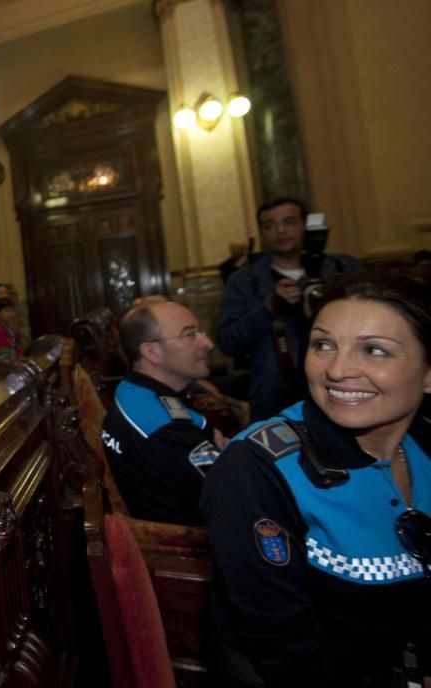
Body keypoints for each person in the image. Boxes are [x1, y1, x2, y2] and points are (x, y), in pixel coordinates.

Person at [201, 270, 431, 686]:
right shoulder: (256, 468)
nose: (338, 370)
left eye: (375, 350)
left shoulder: (425, 445)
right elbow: (288, 655)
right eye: (323, 344)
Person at [217, 198, 359, 421]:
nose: (280, 231)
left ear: (305, 225)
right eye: (269, 225)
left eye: (289, 222)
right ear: (262, 233)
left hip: (344, 386)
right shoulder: (243, 281)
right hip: (275, 402)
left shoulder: (343, 268)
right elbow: (228, 342)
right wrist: (269, 308)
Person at [100, 301, 225, 525]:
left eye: (200, 332)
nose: (207, 343)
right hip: (191, 548)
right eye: (189, 335)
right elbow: (233, 492)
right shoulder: (165, 428)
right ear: (152, 351)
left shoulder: (133, 389)